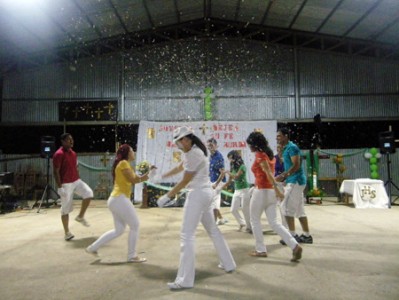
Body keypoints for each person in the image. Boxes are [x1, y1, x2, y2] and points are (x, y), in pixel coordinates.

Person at [155, 126, 236, 290]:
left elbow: (185, 180)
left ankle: (185, 280)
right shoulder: (195, 151)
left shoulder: (194, 153)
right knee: (213, 230)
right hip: (206, 194)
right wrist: (163, 175)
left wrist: (167, 196)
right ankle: (228, 263)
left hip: (198, 195)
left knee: (186, 235)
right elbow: (179, 167)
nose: (177, 145)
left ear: (186, 139)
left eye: (178, 142)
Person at [85, 144, 151, 262]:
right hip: (119, 199)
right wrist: (146, 176)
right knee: (135, 225)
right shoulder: (124, 163)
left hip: (116, 200)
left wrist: (148, 174)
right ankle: (132, 256)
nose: (133, 153)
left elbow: (137, 178)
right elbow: (134, 180)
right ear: (127, 153)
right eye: (131, 151)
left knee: (119, 230)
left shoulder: (125, 164)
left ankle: (92, 248)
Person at [246, 131, 302, 262]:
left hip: (262, 192)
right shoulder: (270, 154)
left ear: (255, 144)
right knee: (275, 223)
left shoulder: (260, 155)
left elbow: (268, 174)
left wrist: (277, 190)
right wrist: (275, 190)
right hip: (270, 192)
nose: (249, 147)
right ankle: (294, 245)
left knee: (254, 220)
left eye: (250, 144)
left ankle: (260, 250)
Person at [276, 128, 313, 244]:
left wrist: (283, 175)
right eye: (277, 136)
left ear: (286, 136)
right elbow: (288, 164)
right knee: (299, 211)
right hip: (294, 181)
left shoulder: (292, 147)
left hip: (296, 181)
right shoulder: (286, 148)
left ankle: (292, 236)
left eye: (279, 136)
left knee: (285, 208)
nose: (277, 138)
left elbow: (296, 165)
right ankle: (307, 236)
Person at [53, 133, 93, 241]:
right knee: (65, 210)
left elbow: (76, 166)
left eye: (72, 139)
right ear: (63, 141)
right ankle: (67, 233)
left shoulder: (74, 153)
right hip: (66, 184)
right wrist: (60, 187)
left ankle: (80, 216)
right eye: (69, 140)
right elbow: (56, 171)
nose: (71, 141)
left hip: (76, 181)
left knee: (89, 193)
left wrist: (78, 177)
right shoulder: (58, 154)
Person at [223, 150, 251, 232]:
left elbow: (236, 177)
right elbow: (230, 179)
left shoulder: (242, 166)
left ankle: (249, 227)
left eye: (231, 158)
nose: (230, 160)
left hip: (245, 190)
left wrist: (228, 172)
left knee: (245, 209)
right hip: (237, 190)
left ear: (235, 157)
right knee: (233, 209)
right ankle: (242, 223)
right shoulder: (233, 166)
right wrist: (222, 186)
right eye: (229, 159)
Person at [207, 138, 228, 225]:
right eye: (209, 145)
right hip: (212, 180)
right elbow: (211, 171)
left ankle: (214, 222)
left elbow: (222, 173)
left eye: (212, 145)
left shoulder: (219, 157)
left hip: (219, 182)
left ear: (216, 145)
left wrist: (216, 184)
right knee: (212, 200)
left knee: (214, 201)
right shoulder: (211, 156)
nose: (210, 147)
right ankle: (221, 219)